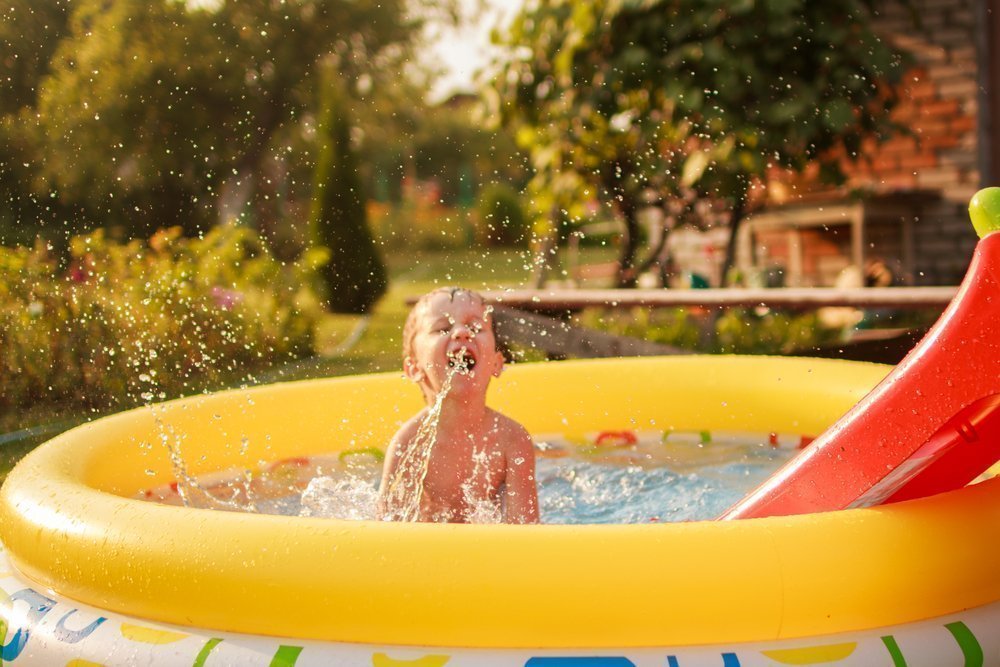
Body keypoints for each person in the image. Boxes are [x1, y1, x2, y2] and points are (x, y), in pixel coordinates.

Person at [377, 287, 539, 524]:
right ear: (414, 369)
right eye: (443, 328)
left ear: (496, 363)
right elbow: (387, 533)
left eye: (475, 328)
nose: (462, 333)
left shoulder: (512, 440)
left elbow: (526, 532)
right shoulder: (409, 444)